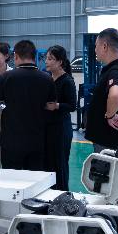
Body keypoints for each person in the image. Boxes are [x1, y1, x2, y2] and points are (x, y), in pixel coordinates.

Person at [0, 40, 56, 171]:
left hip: (11, 140)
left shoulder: (6, 77)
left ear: (16, 56)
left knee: (12, 178)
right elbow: (51, 106)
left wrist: (4, 105)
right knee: (34, 177)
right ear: (34, 56)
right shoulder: (47, 78)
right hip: (37, 139)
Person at [84, 28, 118, 153]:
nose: (95, 50)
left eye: (96, 46)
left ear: (104, 46)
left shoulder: (115, 70)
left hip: (107, 141)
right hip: (108, 140)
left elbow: (116, 95)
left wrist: (110, 115)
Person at [43, 45, 77, 191]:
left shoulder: (67, 81)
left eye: (50, 59)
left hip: (60, 129)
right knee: (48, 163)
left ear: (60, 62)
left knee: (59, 164)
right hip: (47, 127)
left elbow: (72, 105)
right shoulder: (47, 78)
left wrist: (57, 106)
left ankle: (62, 194)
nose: (46, 61)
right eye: (46, 58)